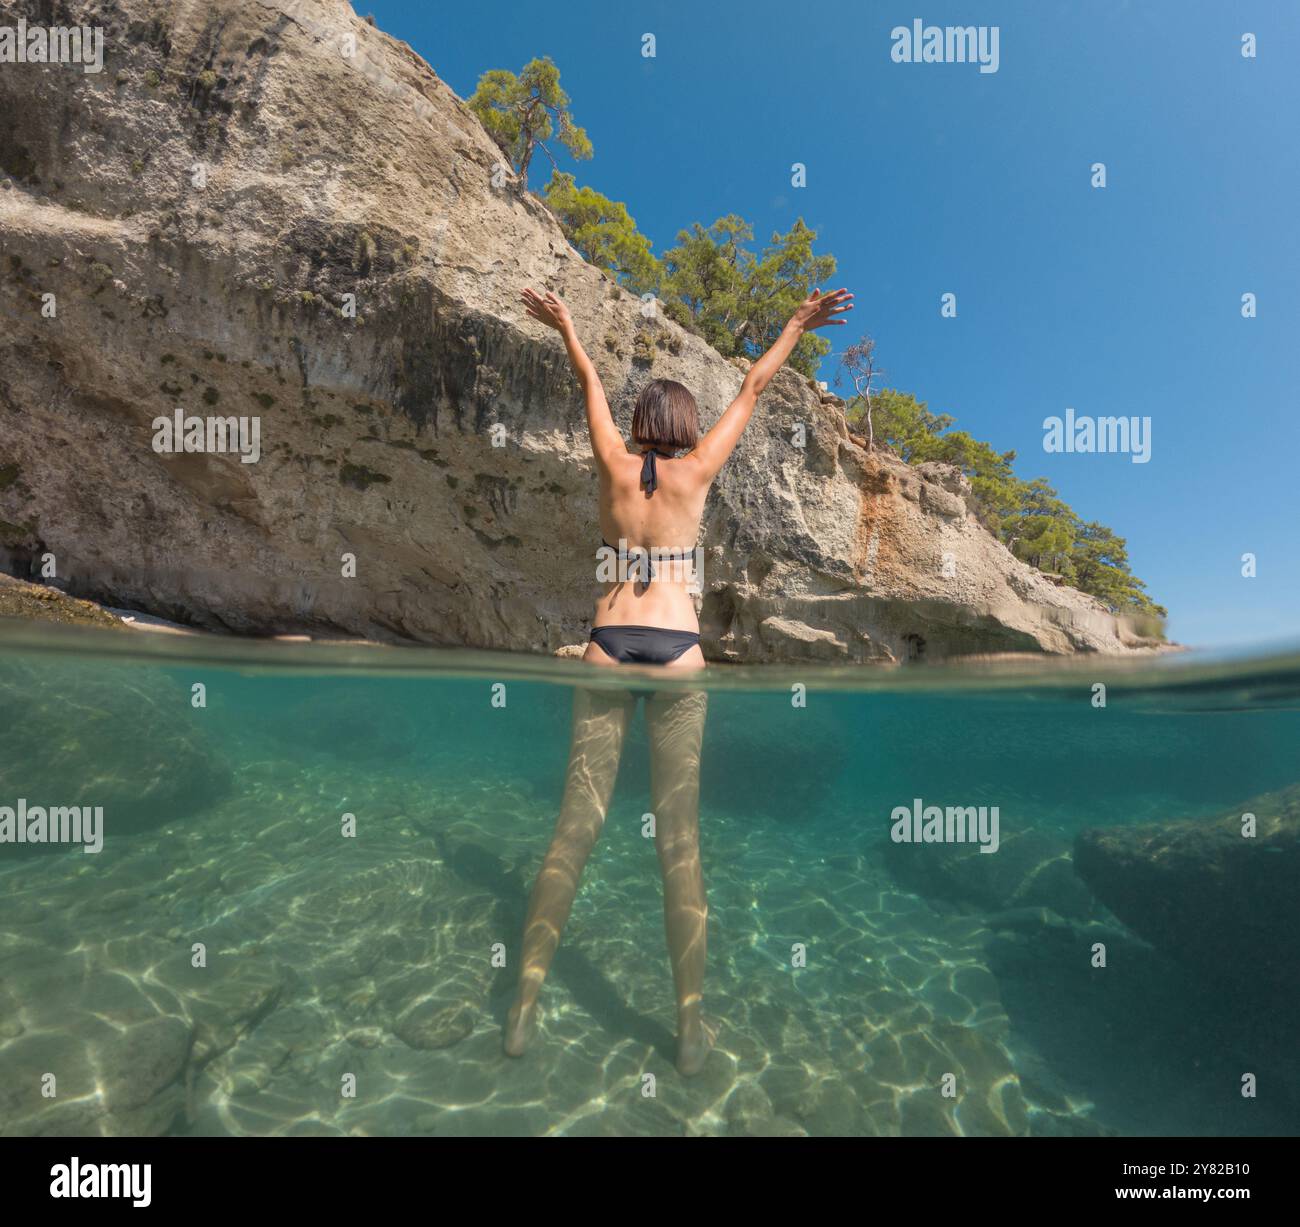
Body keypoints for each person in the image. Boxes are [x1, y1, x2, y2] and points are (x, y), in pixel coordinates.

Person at [505, 284, 854, 1074]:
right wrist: (796, 322)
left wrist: (567, 322)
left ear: (637, 428)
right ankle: (690, 1031)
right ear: (686, 428)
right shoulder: (699, 470)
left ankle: (521, 1010)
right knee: (680, 846)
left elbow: (588, 379)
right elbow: (755, 388)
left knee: (573, 834)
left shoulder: (614, 464)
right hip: (677, 652)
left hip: (606, 644)